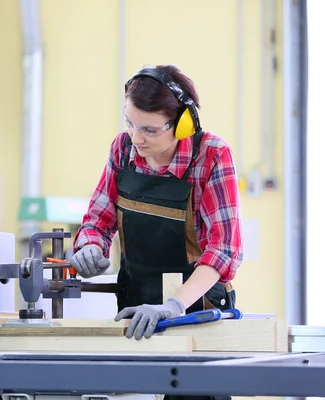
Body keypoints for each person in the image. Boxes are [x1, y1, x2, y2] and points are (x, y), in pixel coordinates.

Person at [70, 64, 243, 342]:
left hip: (196, 310)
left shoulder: (212, 156)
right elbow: (98, 219)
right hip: (135, 309)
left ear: (183, 124)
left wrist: (174, 305)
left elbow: (224, 250)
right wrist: (90, 246)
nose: (137, 138)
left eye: (149, 130)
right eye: (130, 123)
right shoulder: (122, 148)